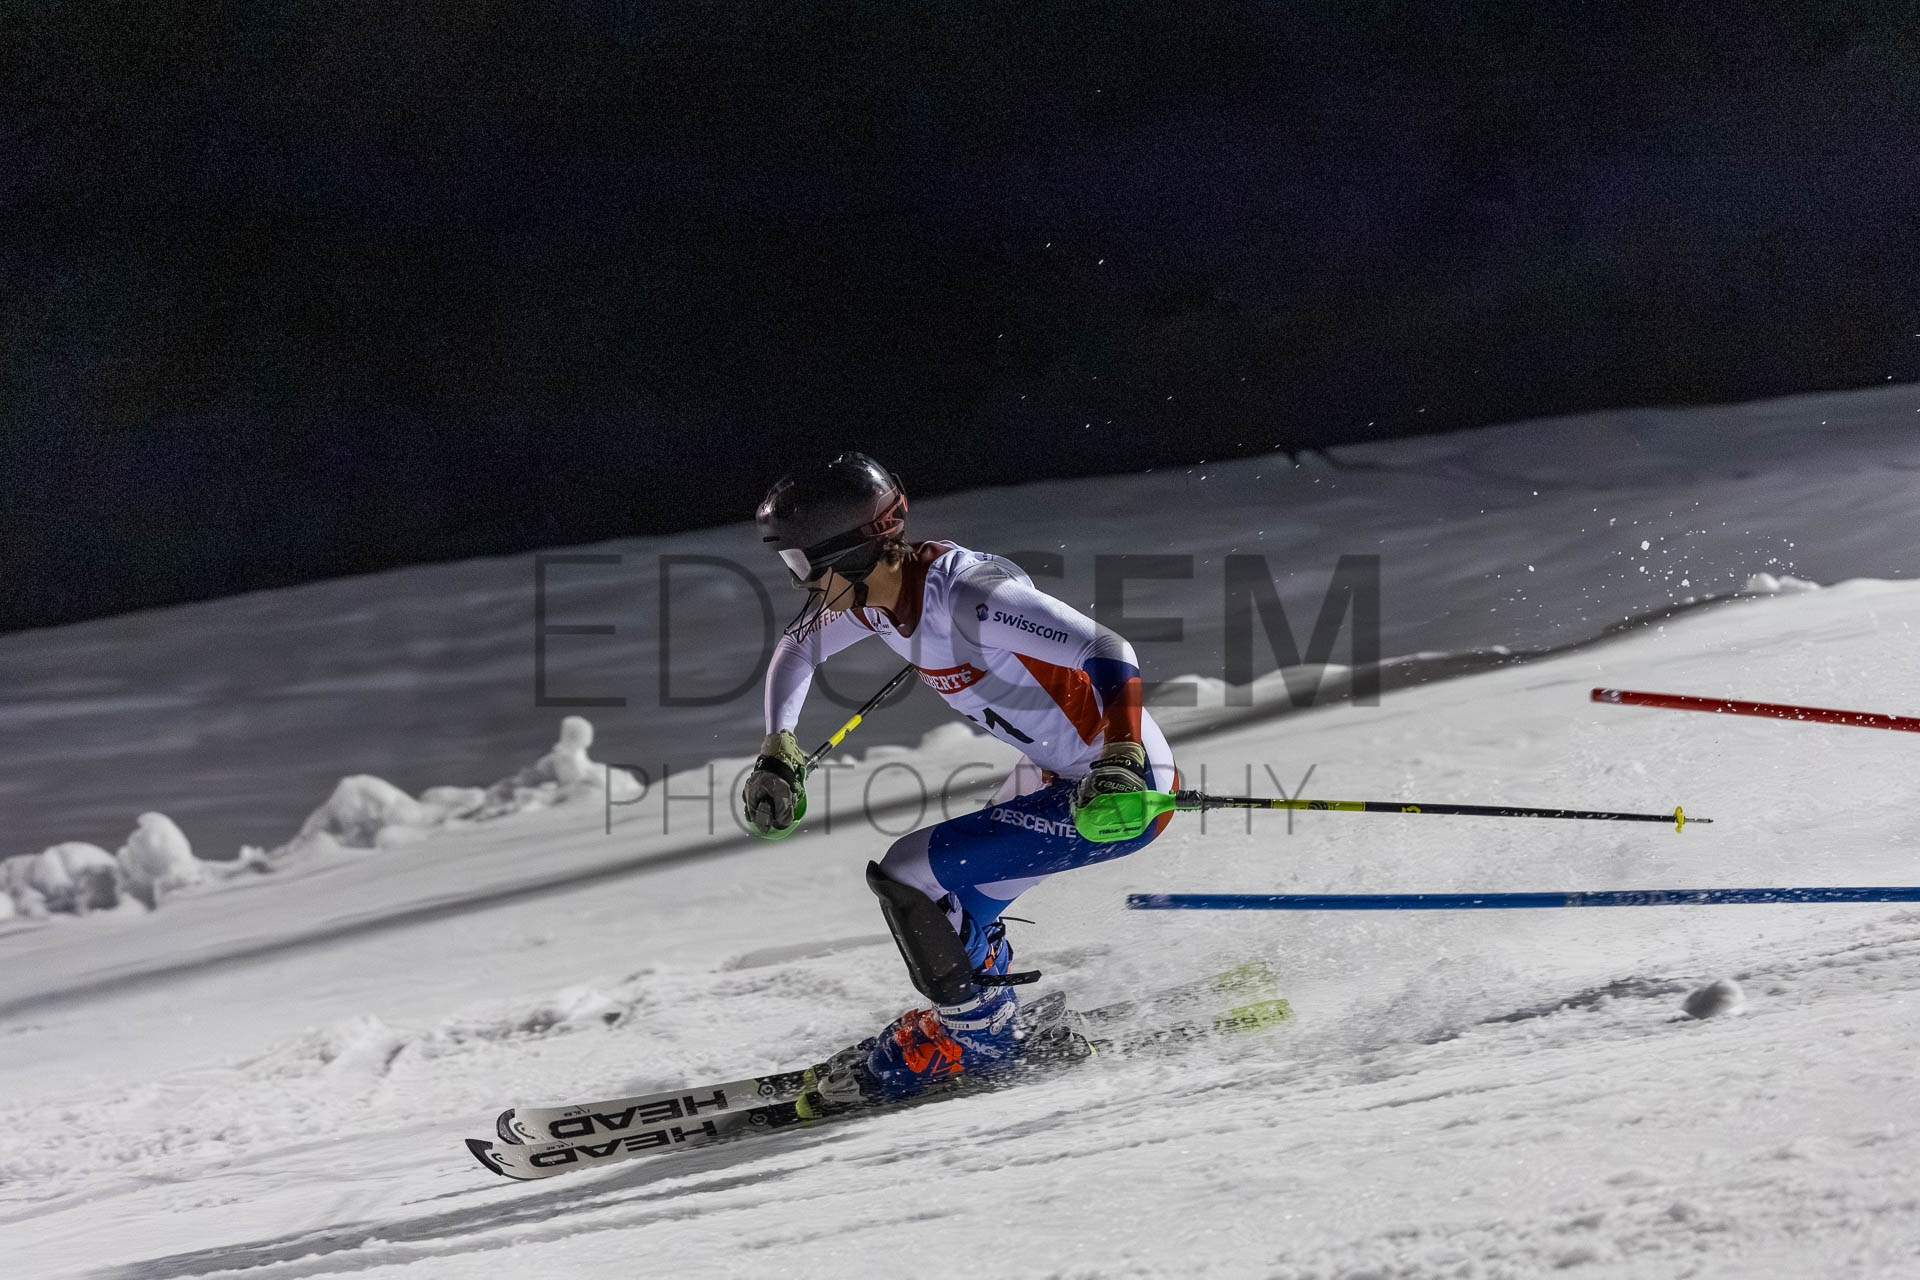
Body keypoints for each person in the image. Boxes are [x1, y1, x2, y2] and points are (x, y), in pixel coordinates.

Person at [742, 452, 1178, 1101]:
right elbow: (797, 646)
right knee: (954, 909)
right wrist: (778, 746)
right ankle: (984, 1020)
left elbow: (1108, 648)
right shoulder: (869, 598)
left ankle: (979, 1038)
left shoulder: (972, 598)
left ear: (849, 551)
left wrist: (1121, 758)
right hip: (1058, 776)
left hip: (1119, 794)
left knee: (907, 874)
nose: (798, 580)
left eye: (801, 562)